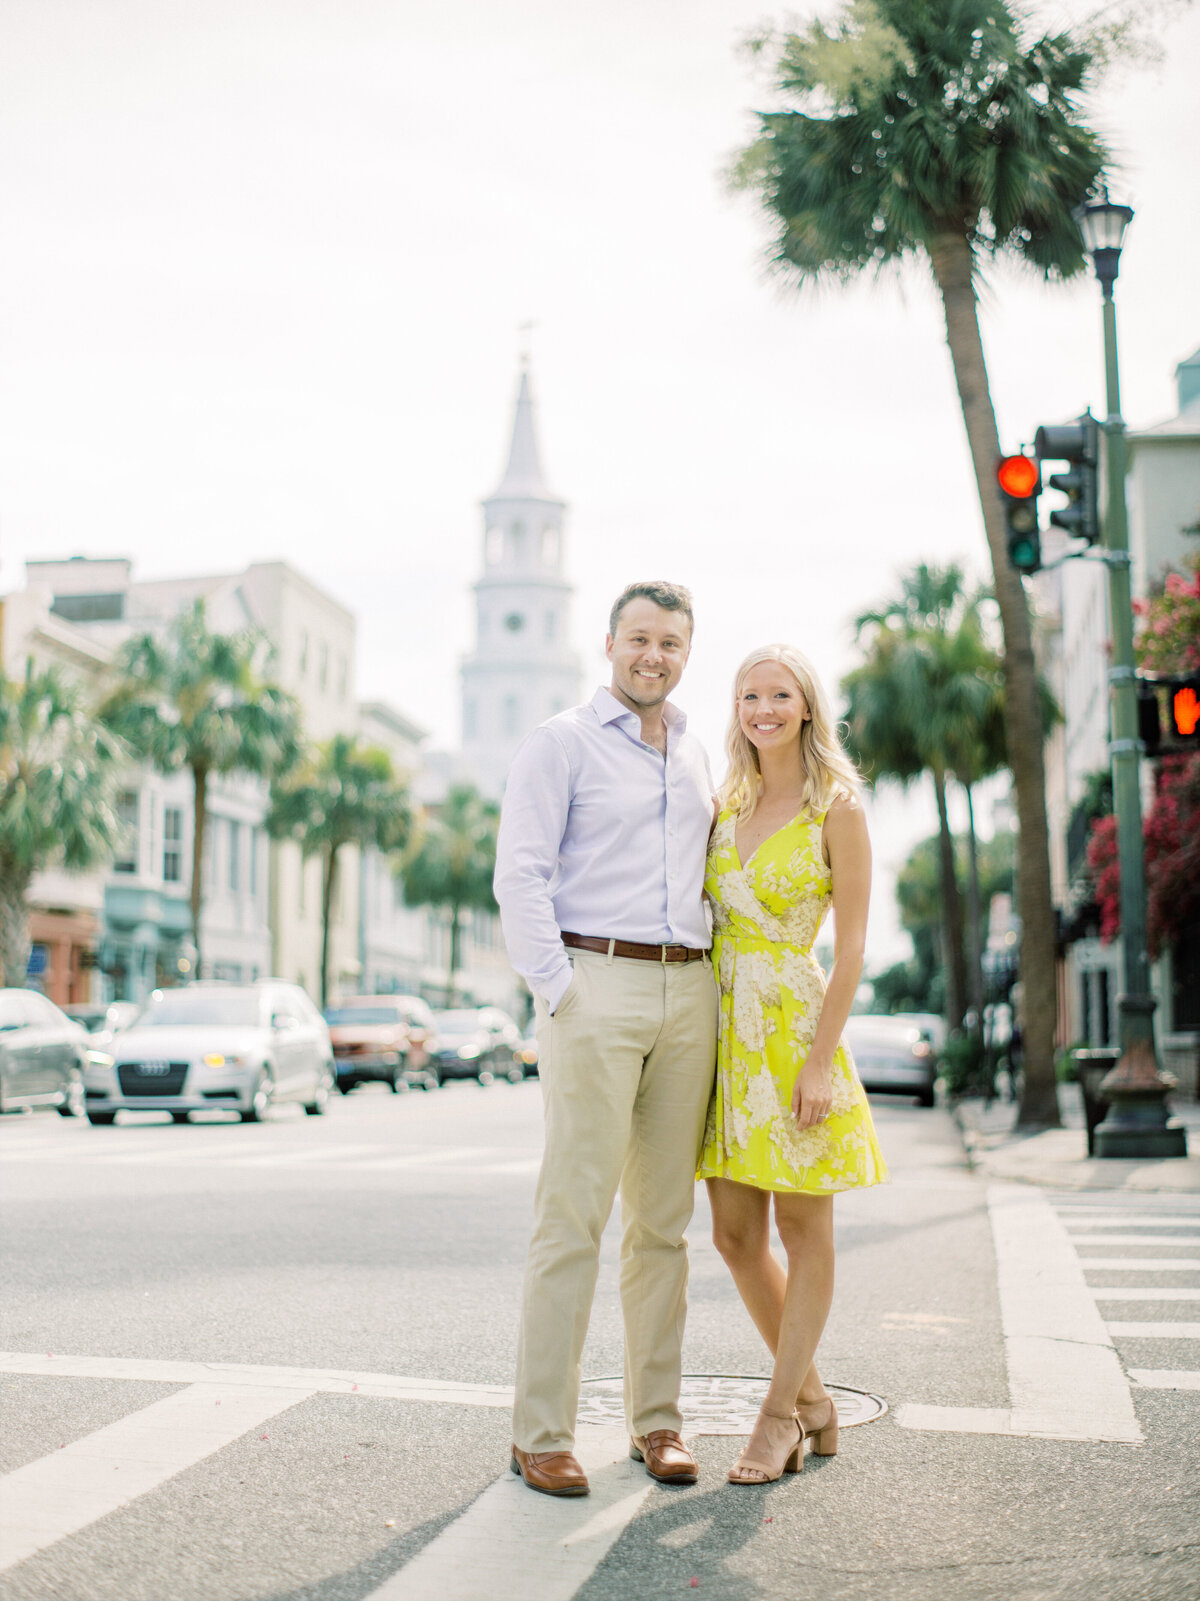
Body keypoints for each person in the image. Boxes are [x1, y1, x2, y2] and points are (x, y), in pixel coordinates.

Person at [494, 580, 719, 1498]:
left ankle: (655, 1424)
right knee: (573, 1216)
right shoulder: (561, 742)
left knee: (664, 1225)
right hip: (598, 982)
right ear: (610, 643)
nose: (652, 656)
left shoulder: (703, 749)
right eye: (638, 639)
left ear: (686, 651)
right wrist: (560, 990)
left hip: (689, 989)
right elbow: (521, 875)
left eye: (669, 642)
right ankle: (540, 1431)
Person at [696, 643, 888, 1485]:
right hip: (722, 1032)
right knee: (735, 1237)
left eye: (779, 694)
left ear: (807, 706)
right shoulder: (724, 803)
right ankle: (813, 1400)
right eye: (748, 695)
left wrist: (819, 1064)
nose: (762, 709)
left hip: (794, 1030)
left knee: (804, 1231)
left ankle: (777, 1420)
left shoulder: (836, 808)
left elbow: (849, 953)